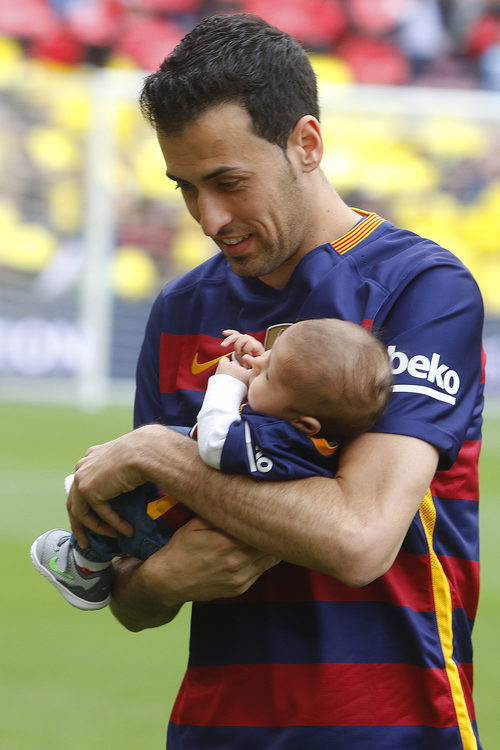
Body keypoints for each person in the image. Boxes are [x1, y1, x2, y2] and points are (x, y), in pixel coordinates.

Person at [62, 13, 484, 750]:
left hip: (393, 733)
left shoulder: (423, 290)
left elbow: (359, 538)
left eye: (228, 182)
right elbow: (132, 587)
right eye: (186, 188)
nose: (209, 217)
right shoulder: (180, 311)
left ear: (307, 144)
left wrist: (160, 453)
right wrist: (162, 582)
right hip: (215, 732)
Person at [30, 318, 393, 610]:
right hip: (188, 519)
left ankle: (85, 567)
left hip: (166, 525)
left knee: (115, 513)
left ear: (305, 423)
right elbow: (281, 393)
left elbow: (215, 443)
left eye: (267, 374)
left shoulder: (284, 439)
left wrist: (227, 383)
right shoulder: (312, 432)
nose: (255, 365)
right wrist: (260, 363)